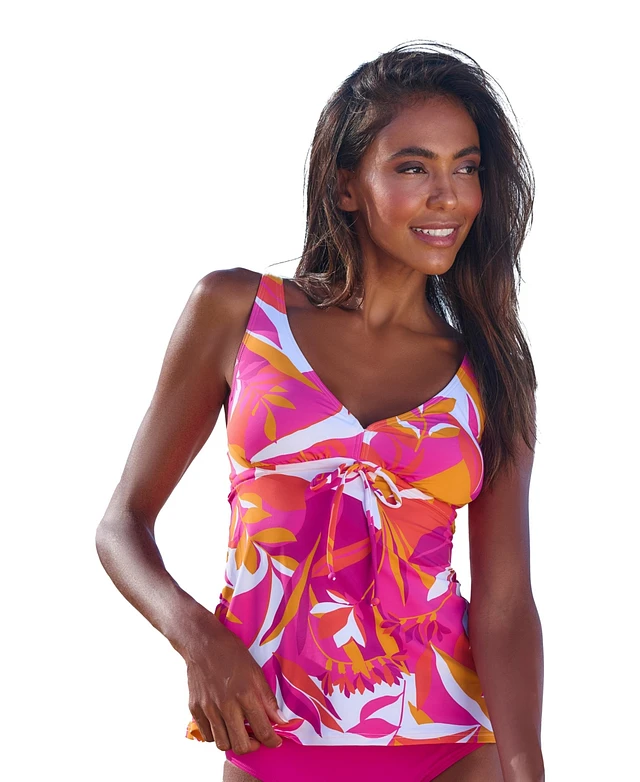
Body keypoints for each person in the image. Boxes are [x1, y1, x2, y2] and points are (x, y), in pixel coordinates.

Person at [95, 41, 544, 782]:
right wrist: (198, 640)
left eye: (466, 168)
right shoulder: (237, 313)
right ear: (345, 187)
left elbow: (504, 604)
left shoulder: (492, 371)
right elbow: (121, 526)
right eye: (413, 167)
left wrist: (528, 769)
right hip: (270, 735)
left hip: (454, 742)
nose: (449, 195)